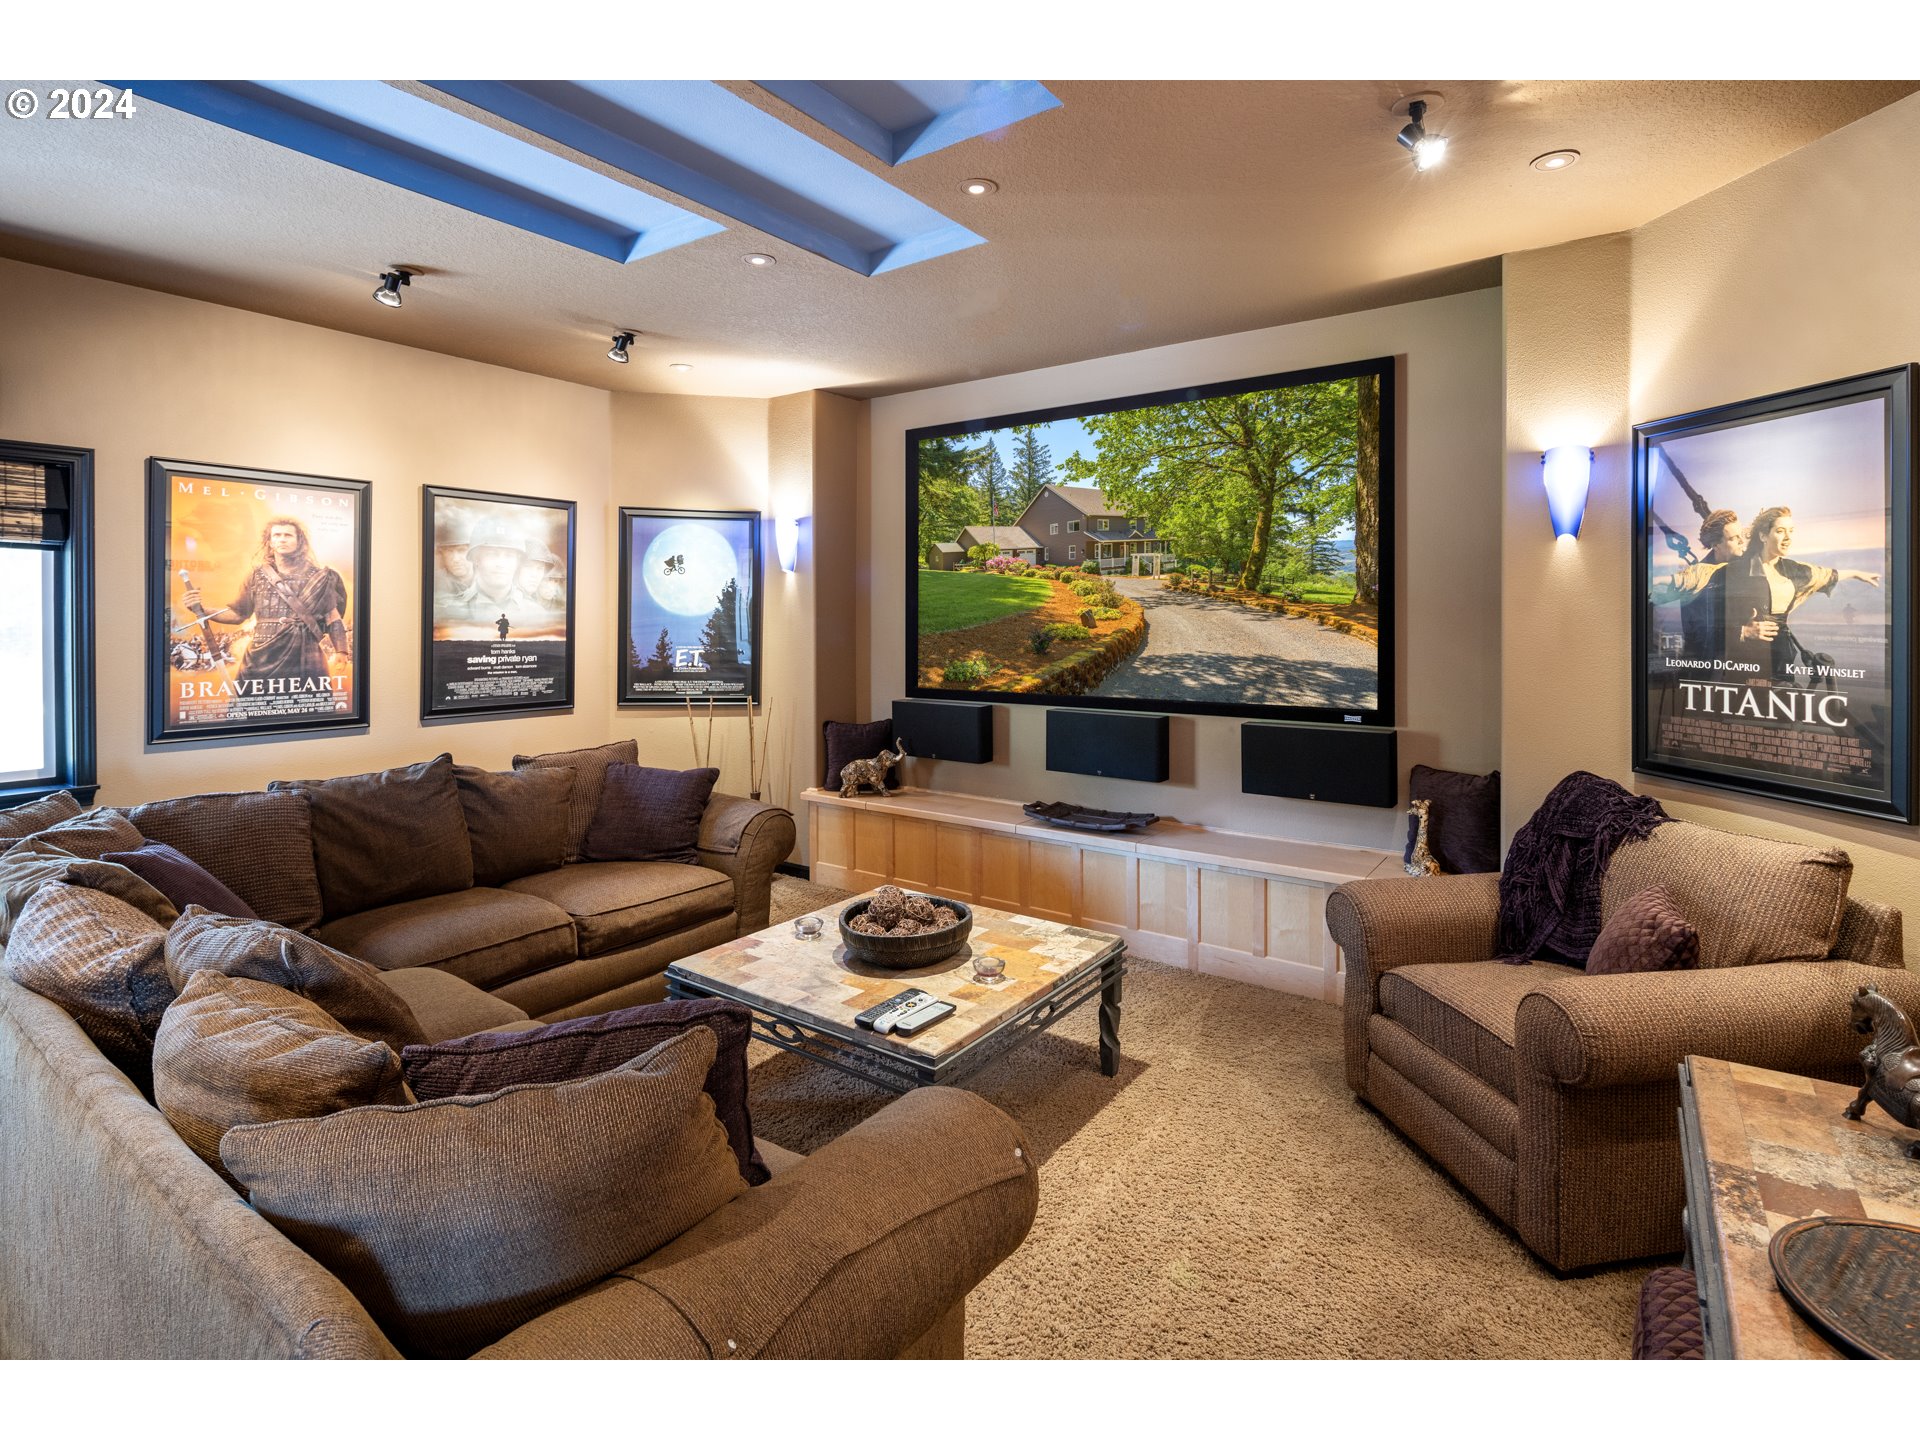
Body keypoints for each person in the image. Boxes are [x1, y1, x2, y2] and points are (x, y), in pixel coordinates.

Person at [183, 516, 348, 708]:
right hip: (262, 656)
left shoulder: (323, 578)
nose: (282, 539)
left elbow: (332, 618)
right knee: (250, 710)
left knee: (311, 711)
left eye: (288, 535)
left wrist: (341, 651)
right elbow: (238, 614)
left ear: (299, 541)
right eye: (277, 535)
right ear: (269, 542)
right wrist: (202, 610)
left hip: (306, 654)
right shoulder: (256, 576)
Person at [1722, 505, 1880, 680]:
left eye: (1791, 531)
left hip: (1782, 658)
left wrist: (1856, 573)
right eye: (1780, 531)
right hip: (1746, 659)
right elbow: (1708, 619)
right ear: (1763, 536)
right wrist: (1744, 631)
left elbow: (1824, 575)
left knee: (1781, 695)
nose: (1788, 537)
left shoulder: (1794, 570)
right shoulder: (1735, 571)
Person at [1648, 508, 1745, 659]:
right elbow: (1703, 634)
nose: (1742, 541)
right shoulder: (1699, 578)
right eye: (1734, 538)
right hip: (1707, 661)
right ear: (1716, 545)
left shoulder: (1745, 568)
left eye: (1741, 535)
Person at [444, 519, 544, 627]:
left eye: (509, 556)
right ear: (476, 559)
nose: (500, 564)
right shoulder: (451, 613)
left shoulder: (537, 613)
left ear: (517, 562)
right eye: (491, 554)